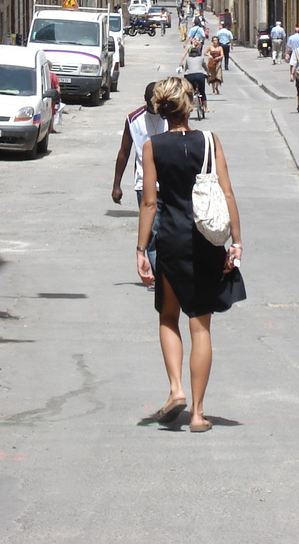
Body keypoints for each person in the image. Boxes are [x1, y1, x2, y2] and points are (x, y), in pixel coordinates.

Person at [137, 78, 245, 432]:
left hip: (172, 239)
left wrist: (141, 249)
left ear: (161, 108)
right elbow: (227, 195)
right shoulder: (211, 141)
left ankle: (176, 389)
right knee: (201, 326)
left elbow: (150, 203)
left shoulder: (153, 147)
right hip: (206, 241)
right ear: (190, 105)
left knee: (169, 317)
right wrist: (236, 243)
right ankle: (198, 414)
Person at [112, 82, 168, 277]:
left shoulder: (171, 116)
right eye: (151, 102)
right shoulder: (133, 119)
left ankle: (166, 274)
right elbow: (124, 152)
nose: (155, 106)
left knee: (166, 232)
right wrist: (116, 185)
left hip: (170, 183)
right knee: (152, 232)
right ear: (145, 100)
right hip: (144, 184)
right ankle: (162, 277)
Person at [179, 42, 210, 114]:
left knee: (190, 92)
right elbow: (205, 67)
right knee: (202, 92)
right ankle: (206, 108)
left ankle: (190, 107)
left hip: (190, 76)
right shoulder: (201, 58)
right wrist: (208, 73)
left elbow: (186, 68)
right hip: (200, 75)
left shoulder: (187, 59)